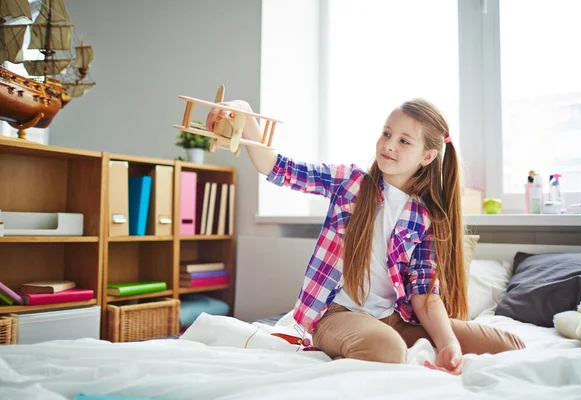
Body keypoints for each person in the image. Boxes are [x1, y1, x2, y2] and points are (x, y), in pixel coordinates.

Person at [206, 98, 525, 375]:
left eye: (404, 141)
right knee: (387, 350)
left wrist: (448, 345)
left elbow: (425, 294)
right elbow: (276, 167)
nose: (388, 145)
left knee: (510, 344)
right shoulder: (351, 183)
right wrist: (245, 116)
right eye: (387, 133)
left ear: (427, 157)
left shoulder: (422, 217)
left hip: (394, 318)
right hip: (336, 315)